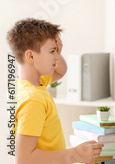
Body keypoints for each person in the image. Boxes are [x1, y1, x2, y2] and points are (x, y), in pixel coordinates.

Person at [8, 18, 104, 163]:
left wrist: (57, 51)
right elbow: (23, 159)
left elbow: (60, 71)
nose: (56, 57)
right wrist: (74, 155)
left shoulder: (30, 84)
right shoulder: (33, 99)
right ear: (31, 56)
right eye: (52, 51)